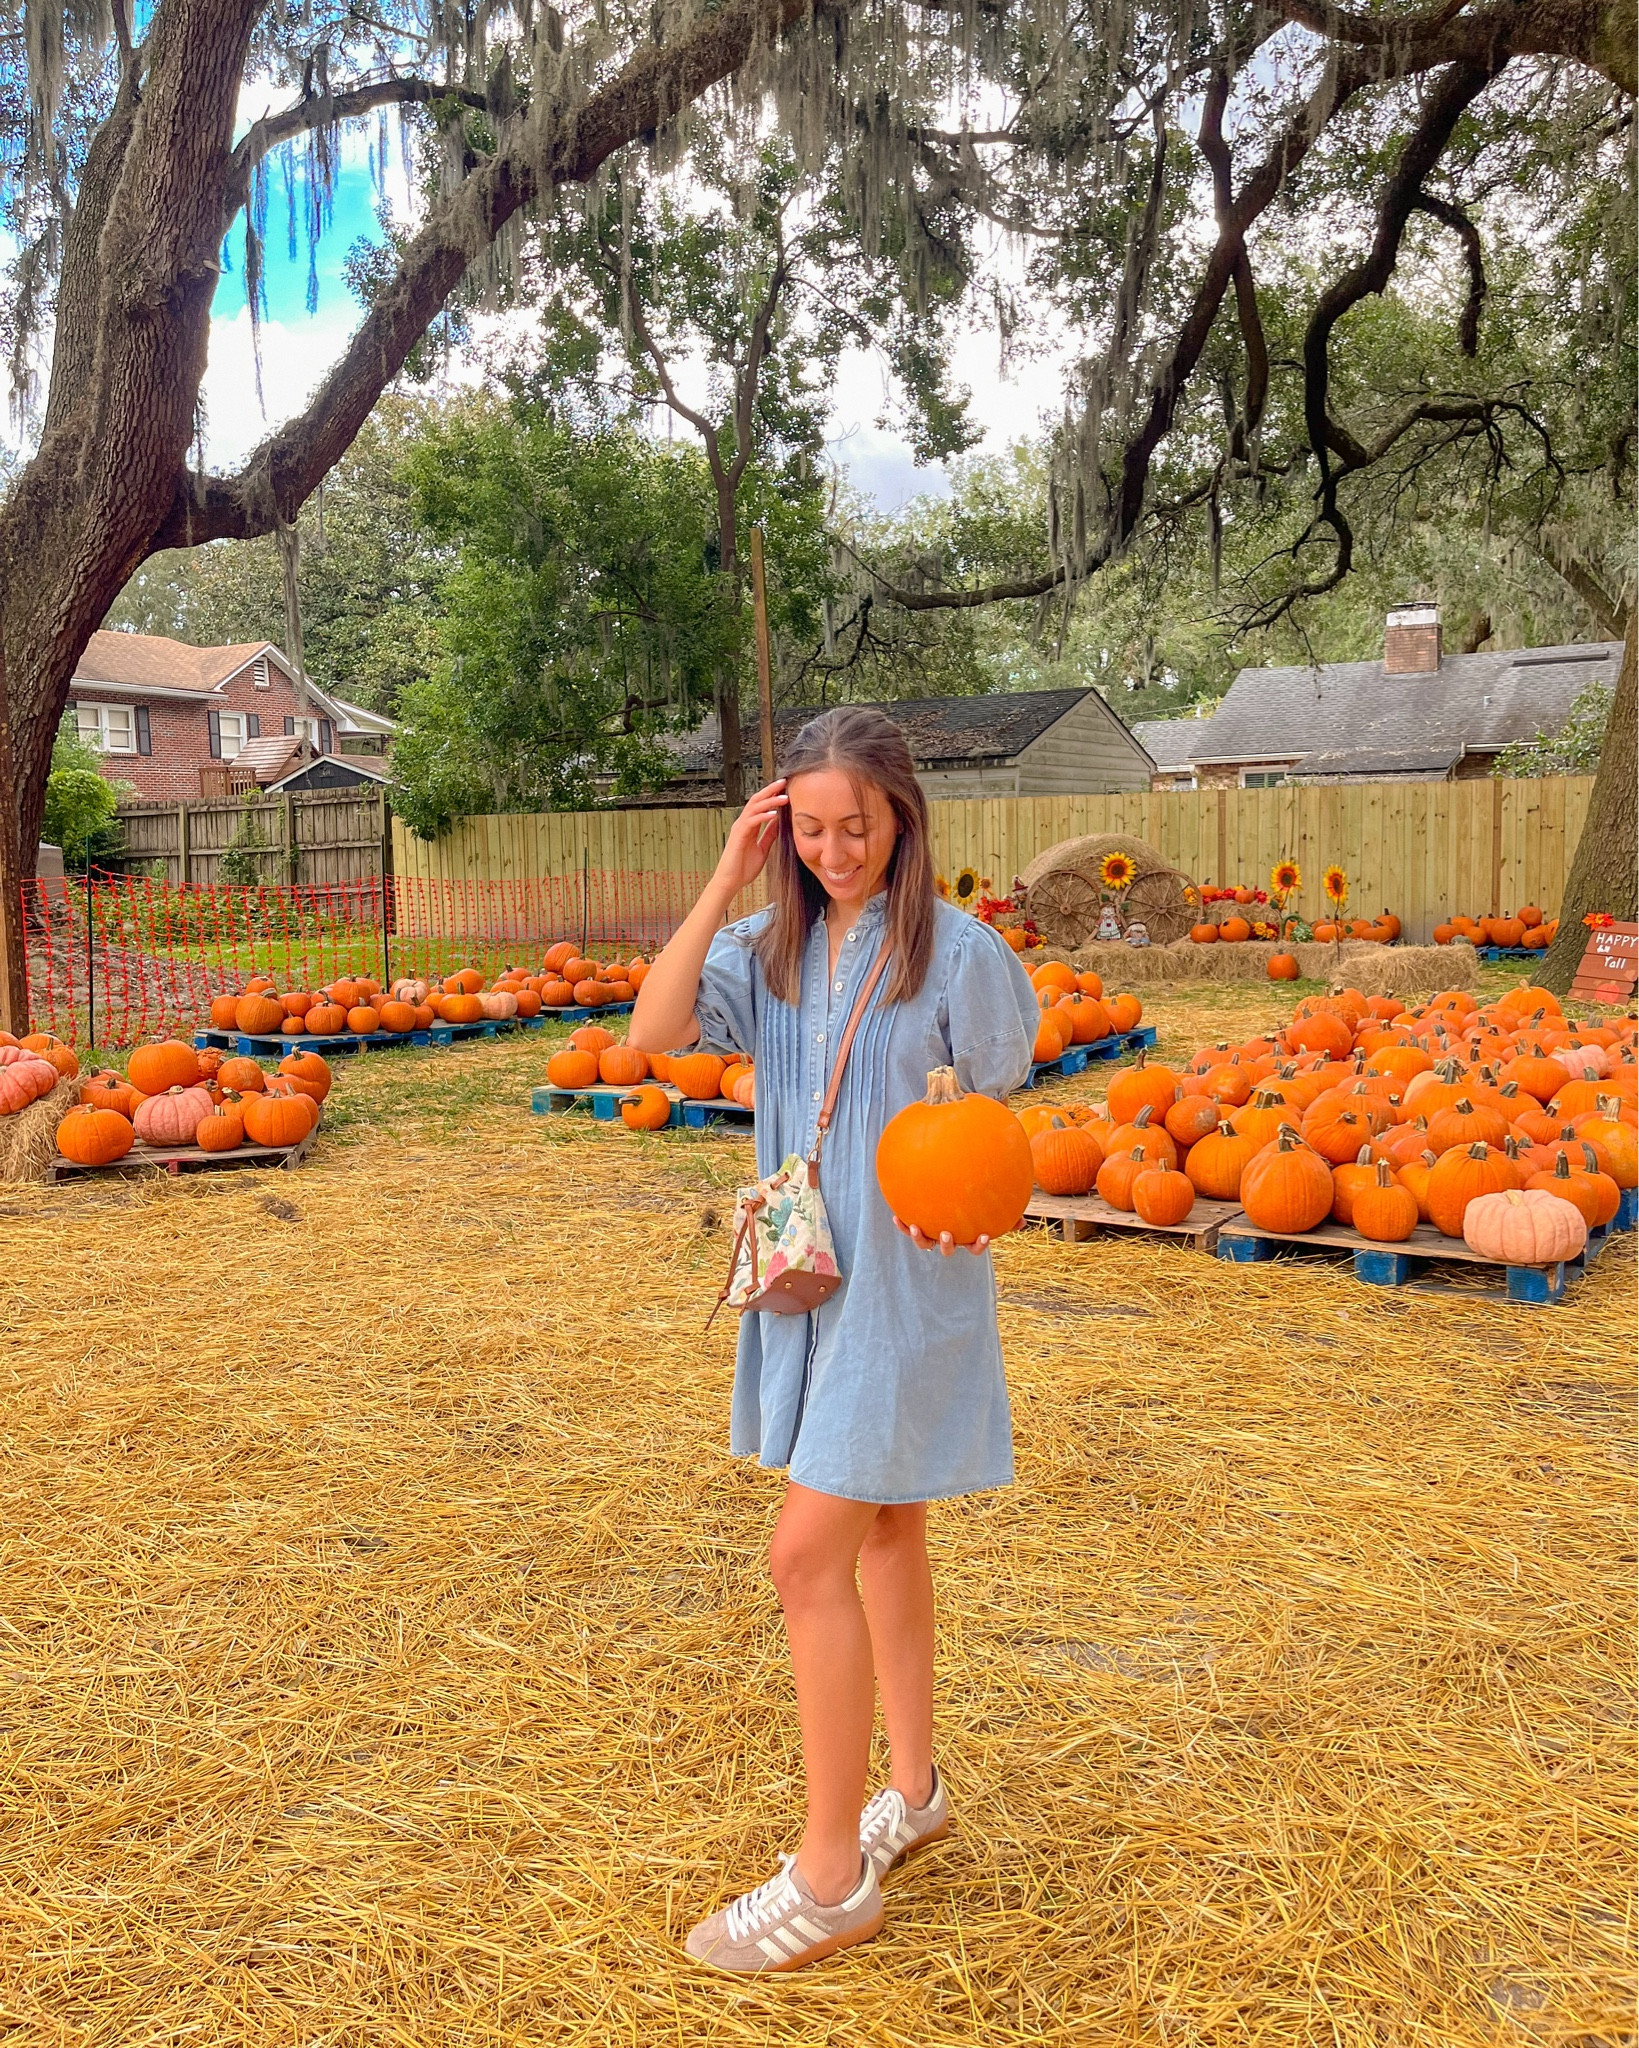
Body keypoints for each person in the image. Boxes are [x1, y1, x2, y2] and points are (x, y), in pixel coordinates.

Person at [629, 705, 1038, 1975]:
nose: (833, 848)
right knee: (887, 1531)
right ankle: (909, 1793)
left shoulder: (956, 953)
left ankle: (829, 1872)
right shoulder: (769, 946)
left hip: (906, 1295)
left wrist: (976, 1180)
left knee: (804, 1556)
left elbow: (995, 1117)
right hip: (812, 1276)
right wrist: (722, 879)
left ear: (902, 818)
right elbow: (650, 1032)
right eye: (807, 826)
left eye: (853, 825)